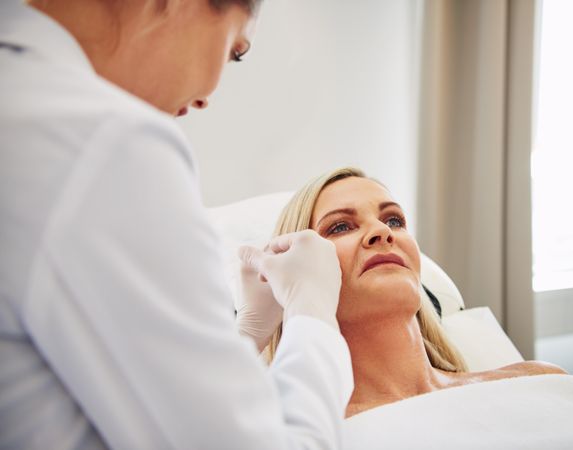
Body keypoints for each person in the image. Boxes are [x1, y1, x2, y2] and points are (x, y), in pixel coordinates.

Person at [0, 1, 353, 449]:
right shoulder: (105, 144)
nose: (208, 97)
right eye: (234, 50)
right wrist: (312, 316)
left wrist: (244, 335)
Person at [263, 167, 573, 449]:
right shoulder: (305, 436)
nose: (382, 232)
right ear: (299, 276)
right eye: (340, 227)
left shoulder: (540, 380)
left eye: (393, 219)